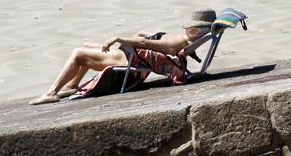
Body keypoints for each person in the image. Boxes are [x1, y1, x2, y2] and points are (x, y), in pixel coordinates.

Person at [29, 9, 216, 105]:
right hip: (134, 56)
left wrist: (119, 38)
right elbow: (151, 40)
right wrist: (147, 33)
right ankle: (72, 85)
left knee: (78, 53)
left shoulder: (175, 43)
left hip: (130, 61)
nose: (188, 28)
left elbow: (144, 45)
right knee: (87, 45)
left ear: (197, 31)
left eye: (191, 27)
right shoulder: (183, 40)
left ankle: (52, 93)